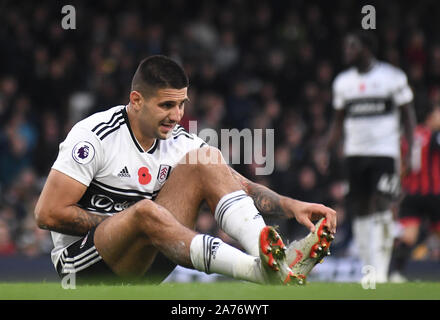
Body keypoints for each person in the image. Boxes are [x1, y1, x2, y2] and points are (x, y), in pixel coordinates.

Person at [35, 55, 336, 285]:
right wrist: (128, 226)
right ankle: (259, 273)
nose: (177, 116)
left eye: (181, 104)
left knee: (206, 159)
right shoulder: (94, 136)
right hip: (85, 267)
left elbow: (237, 185)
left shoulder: (178, 140)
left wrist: (291, 205)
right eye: (167, 105)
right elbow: (47, 214)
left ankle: (272, 260)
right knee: (144, 213)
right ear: (136, 100)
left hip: (149, 259)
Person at [326, 31, 416, 283]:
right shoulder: (342, 82)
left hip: (385, 153)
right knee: (361, 209)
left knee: (383, 205)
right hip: (355, 155)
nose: (346, 52)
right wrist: (327, 147)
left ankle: (382, 270)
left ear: (366, 47)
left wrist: (411, 150)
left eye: (351, 46)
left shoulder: (392, 77)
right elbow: (338, 122)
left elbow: (408, 116)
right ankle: (369, 269)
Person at [389, 103, 440, 282]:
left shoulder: (407, 138)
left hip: (411, 195)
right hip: (434, 193)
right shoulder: (435, 135)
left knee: (408, 237)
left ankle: (396, 273)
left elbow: (402, 167)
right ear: (430, 116)